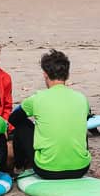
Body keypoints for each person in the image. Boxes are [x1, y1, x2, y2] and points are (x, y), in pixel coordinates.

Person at [10, 49, 90, 179]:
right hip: (81, 169)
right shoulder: (82, 98)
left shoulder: (37, 98)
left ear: (45, 74)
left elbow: (13, 118)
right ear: (67, 75)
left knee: (22, 126)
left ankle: (19, 167)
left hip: (47, 170)